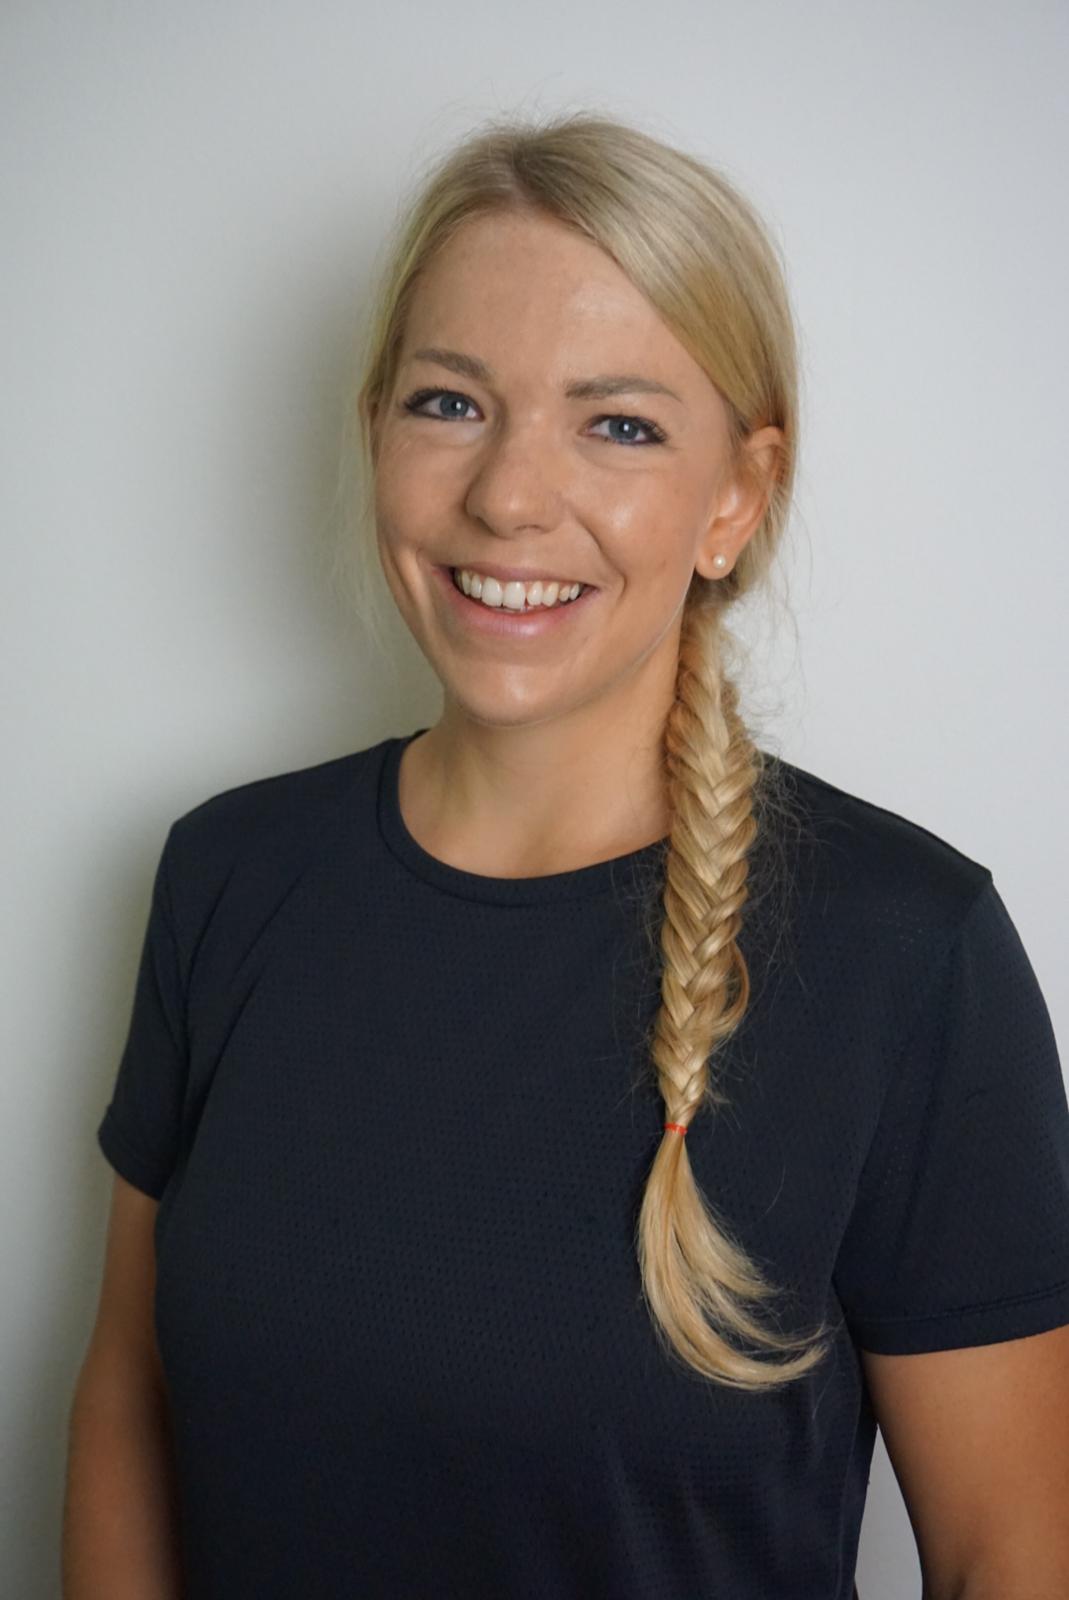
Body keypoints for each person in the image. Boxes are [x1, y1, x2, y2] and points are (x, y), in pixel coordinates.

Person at [64, 110, 1069, 1599]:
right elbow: (128, 1395)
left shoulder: (908, 951)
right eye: (450, 403)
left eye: (619, 425)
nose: (508, 497)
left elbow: (1012, 1552)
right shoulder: (226, 875)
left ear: (736, 496)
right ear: (374, 431)